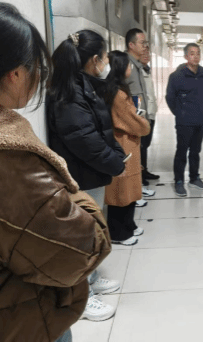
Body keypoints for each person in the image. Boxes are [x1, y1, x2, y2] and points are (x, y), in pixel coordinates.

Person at [0, 1, 111, 342]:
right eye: (36, 67)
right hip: (13, 321)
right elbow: (85, 250)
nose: (39, 77)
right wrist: (69, 190)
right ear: (15, 74)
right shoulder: (10, 165)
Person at [46, 30, 126, 323]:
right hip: (81, 178)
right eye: (104, 57)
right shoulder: (69, 94)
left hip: (90, 175)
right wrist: (115, 163)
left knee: (90, 233)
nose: (106, 63)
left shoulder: (80, 85)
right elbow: (84, 140)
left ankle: (89, 281)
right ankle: (79, 299)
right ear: (94, 59)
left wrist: (116, 154)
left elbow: (98, 131)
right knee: (80, 238)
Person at [99, 51, 151, 246]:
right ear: (120, 68)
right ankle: (118, 233)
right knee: (122, 191)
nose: (130, 68)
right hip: (123, 145)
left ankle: (129, 225)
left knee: (129, 189)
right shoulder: (118, 94)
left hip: (127, 144)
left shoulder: (117, 90)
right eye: (128, 65)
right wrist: (143, 123)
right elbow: (136, 123)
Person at [166, 43, 203, 198]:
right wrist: (180, 113)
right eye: (192, 53)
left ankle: (194, 178)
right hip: (184, 121)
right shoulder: (176, 76)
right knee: (182, 152)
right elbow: (170, 98)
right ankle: (179, 181)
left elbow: (201, 95)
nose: (195, 56)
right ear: (186, 56)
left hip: (200, 119)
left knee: (196, 151)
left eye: (198, 53)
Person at [125, 28, 158, 197]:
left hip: (141, 118)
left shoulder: (139, 67)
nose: (145, 46)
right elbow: (128, 96)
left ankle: (139, 183)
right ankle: (134, 189)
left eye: (146, 43)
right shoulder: (127, 65)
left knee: (141, 150)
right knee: (133, 154)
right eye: (142, 43)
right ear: (131, 45)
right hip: (132, 121)